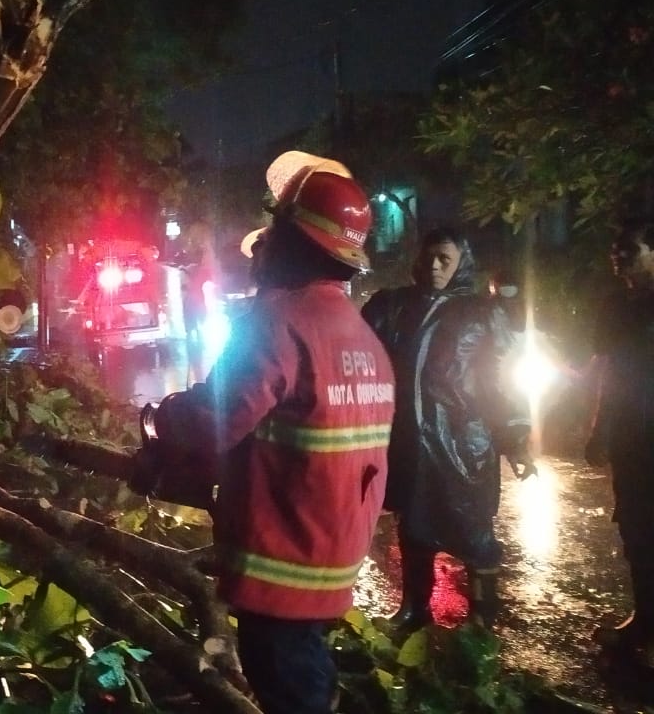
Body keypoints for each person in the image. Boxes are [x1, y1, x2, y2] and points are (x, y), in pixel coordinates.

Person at [145, 163, 395, 713]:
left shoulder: (275, 324)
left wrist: (159, 420)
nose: (255, 254)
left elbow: (216, 420)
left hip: (283, 566)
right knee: (306, 674)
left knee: (289, 686)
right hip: (332, 560)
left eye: (270, 236)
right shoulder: (363, 339)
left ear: (289, 242)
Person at [361, 227, 534, 631]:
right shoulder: (392, 305)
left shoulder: (481, 312)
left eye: (446, 259)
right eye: (430, 257)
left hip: (463, 441)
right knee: (414, 525)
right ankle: (414, 609)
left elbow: (501, 378)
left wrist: (517, 438)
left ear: (461, 263)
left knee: (473, 530)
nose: (436, 266)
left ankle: (481, 619)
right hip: (408, 438)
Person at [585, 217, 654, 666]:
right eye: (616, 250)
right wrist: (599, 429)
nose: (619, 256)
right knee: (635, 528)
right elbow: (608, 374)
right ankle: (644, 621)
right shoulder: (617, 306)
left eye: (630, 248)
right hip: (632, 433)